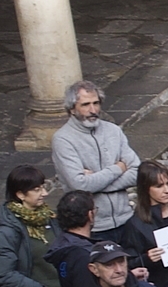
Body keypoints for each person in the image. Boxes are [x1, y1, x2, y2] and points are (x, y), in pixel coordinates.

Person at [51, 80, 140, 231]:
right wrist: (118, 168)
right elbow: (80, 185)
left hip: (126, 219)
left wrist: (96, 184)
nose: (93, 110)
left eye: (96, 103)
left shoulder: (113, 131)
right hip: (92, 227)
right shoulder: (63, 139)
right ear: (72, 109)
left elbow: (137, 173)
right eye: (85, 105)